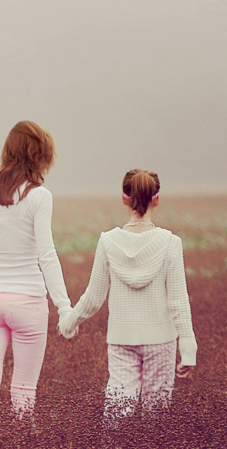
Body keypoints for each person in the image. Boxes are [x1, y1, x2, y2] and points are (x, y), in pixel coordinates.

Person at [0, 121, 73, 424]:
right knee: (23, 391)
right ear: (40, 155)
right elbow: (47, 255)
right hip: (28, 303)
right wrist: (64, 307)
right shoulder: (39, 196)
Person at [59, 169, 196, 424]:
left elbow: (93, 297)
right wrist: (188, 350)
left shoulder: (108, 241)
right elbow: (179, 301)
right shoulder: (170, 243)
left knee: (117, 412)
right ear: (157, 198)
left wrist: (69, 323)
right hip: (161, 340)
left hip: (121, 339)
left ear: (125, 198)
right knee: (156, 418)